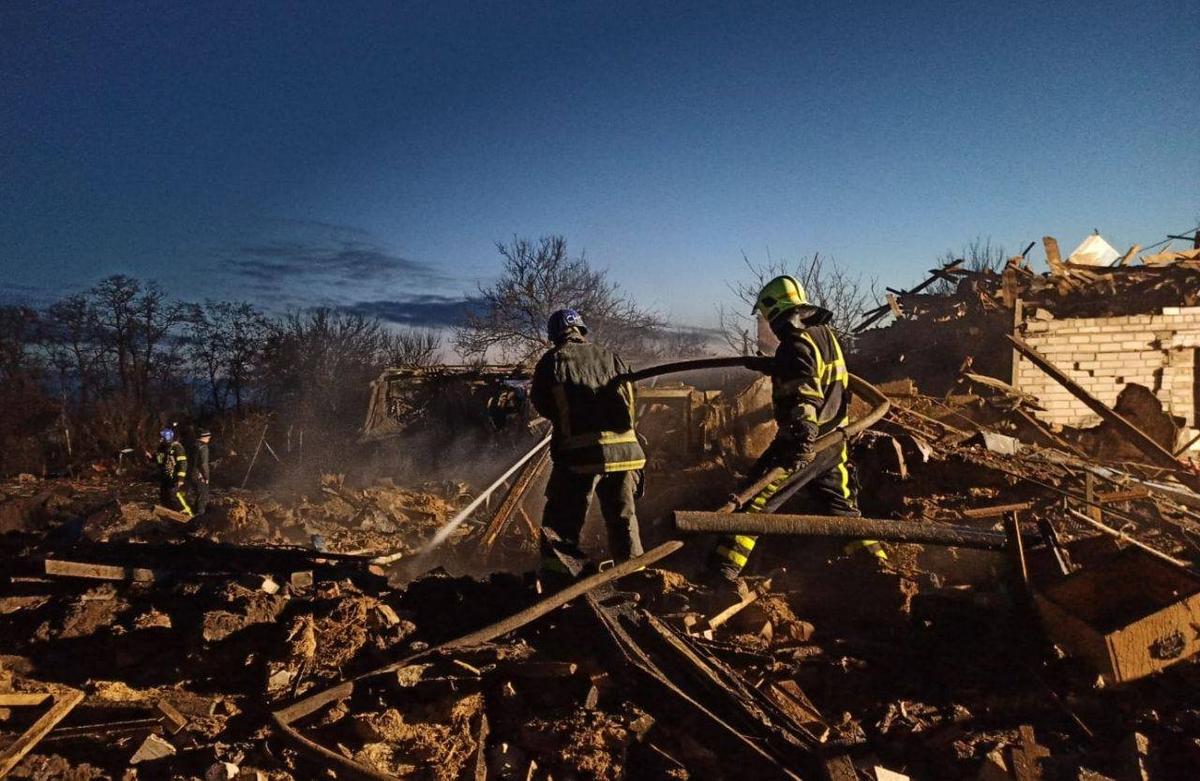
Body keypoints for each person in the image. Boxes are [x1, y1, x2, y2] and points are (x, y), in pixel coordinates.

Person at [709, 275, 883, 585]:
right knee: (841, 510)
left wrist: (801, 443)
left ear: (774, 311)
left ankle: (720, 576)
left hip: (804, 444)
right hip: (832, 444)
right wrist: (772, 365)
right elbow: (818, 375)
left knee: (753, 504)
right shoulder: (823, 335)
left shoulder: (793, 345)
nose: (766, 325)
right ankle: (881, 568)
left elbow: (805, 395)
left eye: (764, 317)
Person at [530, 309, 646, 577]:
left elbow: (543, 404)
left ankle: (558, 579)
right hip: (625, 454)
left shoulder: (552, 361)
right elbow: (632, 397)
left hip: (580, 456)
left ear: (554, 335)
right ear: (581, 330)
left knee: (561, 521)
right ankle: (635, 577)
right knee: (623, 519)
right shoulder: (612, 357)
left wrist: (575, 421)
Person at [154, 427, 192, 516]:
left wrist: (181, 479)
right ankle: (169, 515)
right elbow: (160, 461)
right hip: (165, 477)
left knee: (174, 496)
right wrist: (151, 457)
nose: (160, 440)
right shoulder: (161, 448)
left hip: (175, 478)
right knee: (164, 496)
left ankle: (186, 513)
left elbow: (183, 463)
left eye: (162, 438)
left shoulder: (177, 447)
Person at [190, 429, 212, 515]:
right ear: (205, 437)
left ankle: (193, 513)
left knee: (197, 495)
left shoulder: (193, 446)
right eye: (208, 436)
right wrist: (206, 477)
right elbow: (203, 464)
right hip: (199, 475)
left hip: (190, 472)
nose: (209, 438)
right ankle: (200, 517)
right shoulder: (203, 448)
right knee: (203, 495)